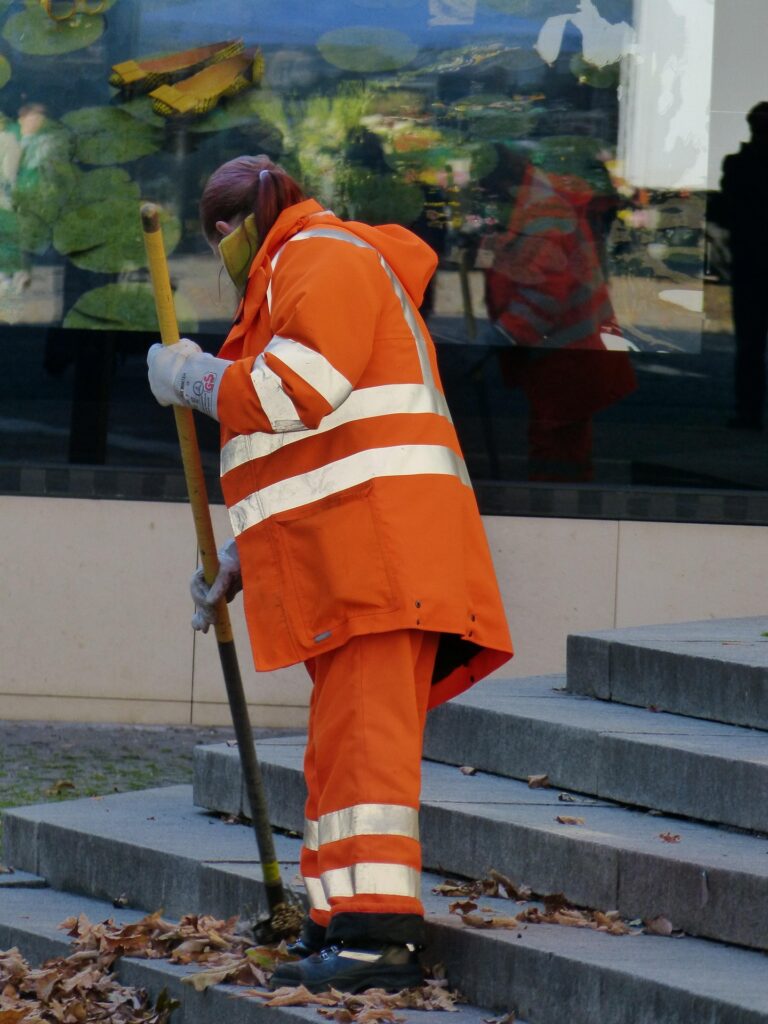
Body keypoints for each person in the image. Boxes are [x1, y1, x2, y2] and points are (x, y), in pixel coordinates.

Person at [146, 155, 513, 993]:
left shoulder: (322, 257)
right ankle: (337, 923)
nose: (219, 248)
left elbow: (289, 394)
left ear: (251, 217)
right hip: (361, 559)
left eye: (221, 229)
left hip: (382, 561)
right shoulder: (301, 269)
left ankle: (379, 938)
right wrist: (237, 561)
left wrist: (190, 376)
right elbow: (310, 457)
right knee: (341, 755)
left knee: (366, 754)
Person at [478, 144, 636, 481]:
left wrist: (501, 335)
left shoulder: (543, 213)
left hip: (565, 357)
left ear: (502, 179)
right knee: (563, 443)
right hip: (567, 354)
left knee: (556, 452)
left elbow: (545, 293)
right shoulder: (535, 202)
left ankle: (557, 507)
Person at [720, 102, 768, 431]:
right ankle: (747, 412)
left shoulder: (738, 165)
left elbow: (725, 212)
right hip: (750, 263)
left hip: (749, 264)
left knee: (750, 346)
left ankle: (748, 412)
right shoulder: (738, 165)